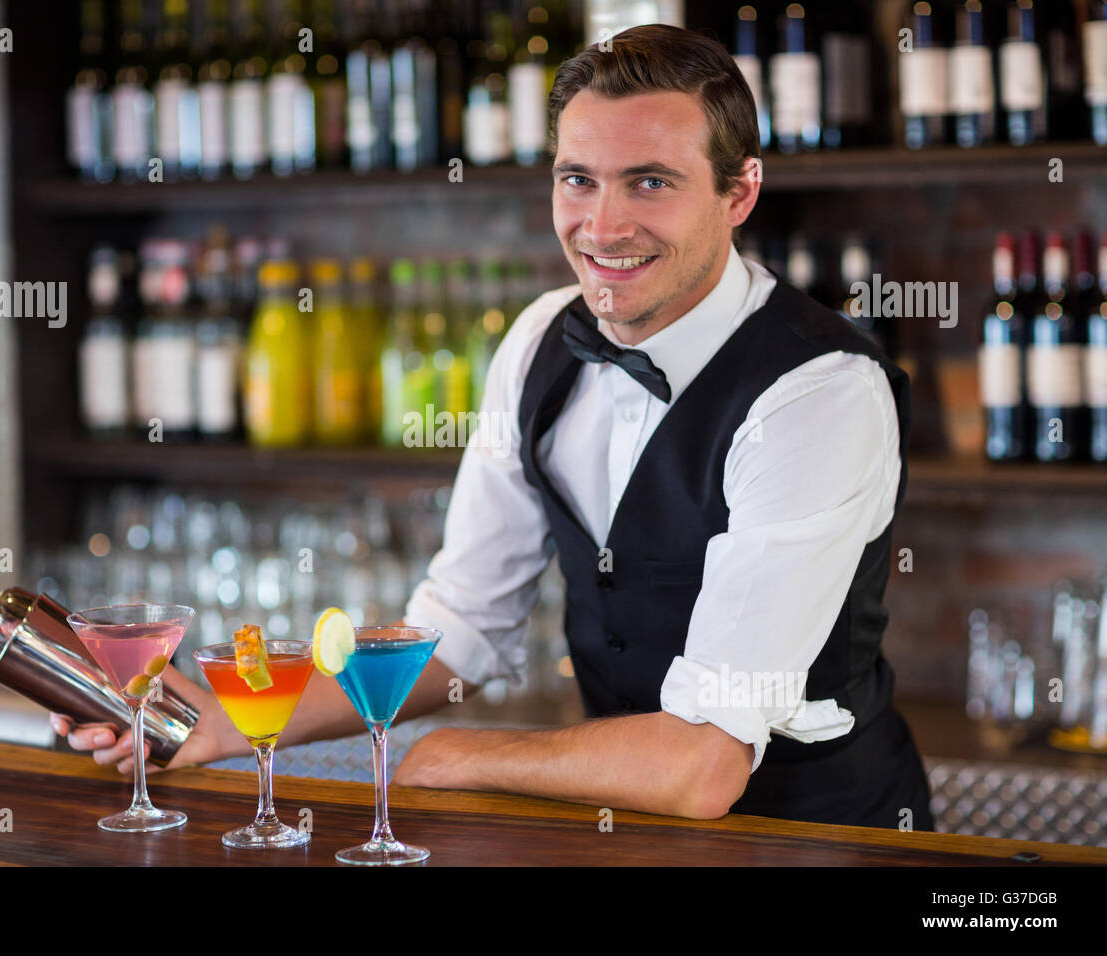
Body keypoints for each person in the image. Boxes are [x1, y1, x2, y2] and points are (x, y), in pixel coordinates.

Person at [55, 23, 934, 830]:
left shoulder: (817, 392)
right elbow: (462, 630)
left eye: (651, 183)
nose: (603, 225)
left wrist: (461, 755)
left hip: (821, 838)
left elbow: (700, 766)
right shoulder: (539, 342)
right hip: (626, 840)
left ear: (740, 192)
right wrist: (231, 714)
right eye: (577, 180)